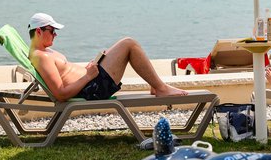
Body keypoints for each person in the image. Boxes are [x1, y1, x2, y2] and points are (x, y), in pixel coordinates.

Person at [27, 12, 187, 102]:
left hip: (91, 82)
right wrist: (88, 76)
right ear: (39, 31)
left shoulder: (45, 52)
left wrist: (89, 69)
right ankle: (160, 88)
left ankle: (156, 85)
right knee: (128, 43)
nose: (55, 34)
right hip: (92, 89)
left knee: (125, 44)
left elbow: (67, 75)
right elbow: (60, 94)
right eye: (52, 30)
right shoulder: (41, 56)